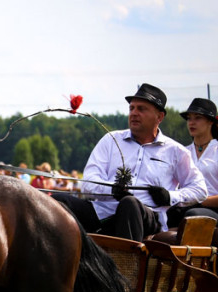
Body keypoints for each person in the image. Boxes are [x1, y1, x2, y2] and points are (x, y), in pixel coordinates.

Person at [53, 83, 206, 241]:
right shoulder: (111, 140)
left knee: (129, 203)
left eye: (141, 109)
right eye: (131, 108)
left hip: (147, 215)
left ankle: (126, 264)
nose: (134, 113)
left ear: (159, 117)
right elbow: (88, 182)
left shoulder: (175, 151)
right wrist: (111, 190)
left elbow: (200, 189)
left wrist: (170, 197)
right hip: (103, 211)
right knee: (57, 201)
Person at [166, 97, 218, 229]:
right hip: (185, 206)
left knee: (192, 214)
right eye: (189, 118)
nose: (191, 122)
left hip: (212, 210)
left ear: (211, 121)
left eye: (197, 118)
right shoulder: (183, 152)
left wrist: (198, 201)